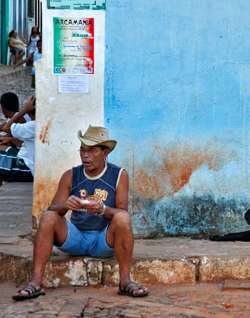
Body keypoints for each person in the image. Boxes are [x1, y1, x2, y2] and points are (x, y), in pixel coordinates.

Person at [12, 126, 148, 301]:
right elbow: (52, 210)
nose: (85, 155)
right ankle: (36, 283)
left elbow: (122, 211)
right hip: (75, 238)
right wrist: (65, 205)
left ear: (105, 153)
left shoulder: (118, 174)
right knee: (48, 217)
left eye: (91, 151)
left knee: (123, 218)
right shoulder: (71, 175)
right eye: (83, 150)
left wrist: (103, 210)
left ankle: (125, 282)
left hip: (103, 240)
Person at [0, 97, 35, 185]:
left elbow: (6, 127)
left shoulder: (34, 125)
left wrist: (24, 110)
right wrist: (11, 139)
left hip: (27, 167)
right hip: (26, 161)